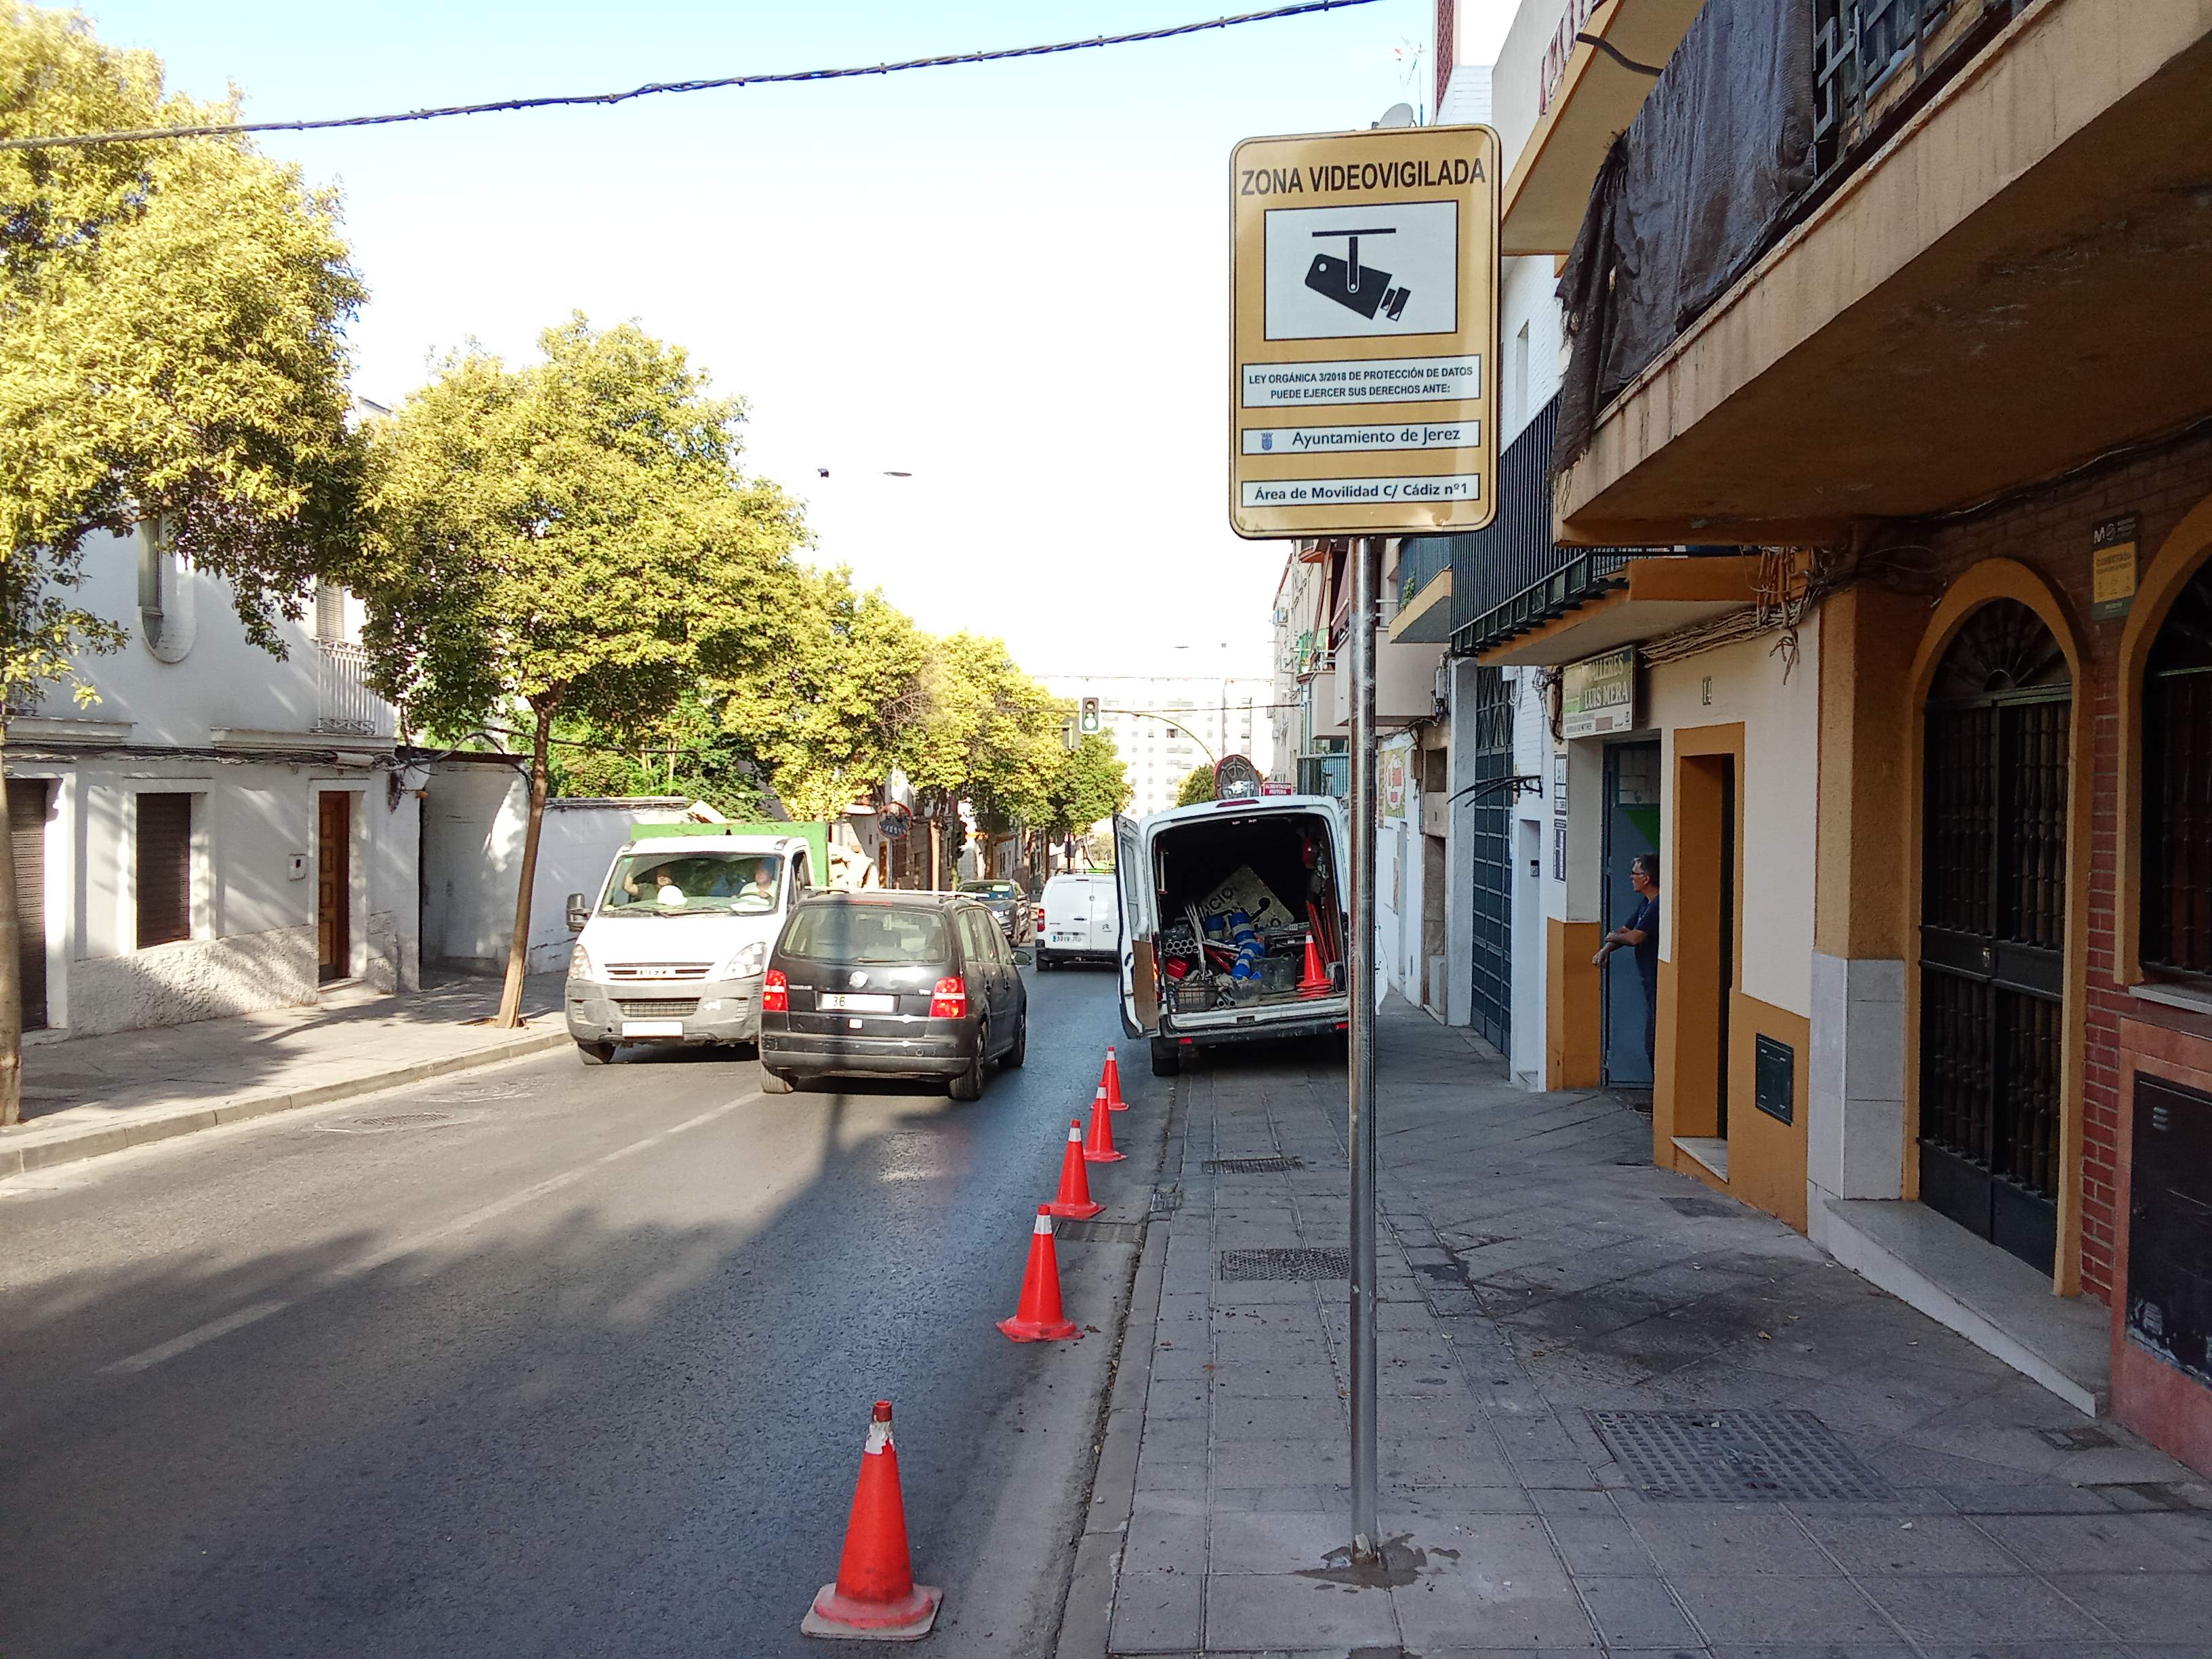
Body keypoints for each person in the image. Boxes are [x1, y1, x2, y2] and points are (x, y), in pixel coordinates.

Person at [1594, 853, 1661, 1067]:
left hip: (1658, 981)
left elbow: (1633, 938)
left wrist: (1612, 937)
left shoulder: (1658, 905)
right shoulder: (1645, 904)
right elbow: (1626, 930)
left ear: (1646, 878)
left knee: (1654, 1042)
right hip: (1649, 980)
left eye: (1635, 874)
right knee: (1651, 1038)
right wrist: (1607, 948)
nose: (1631, 878)